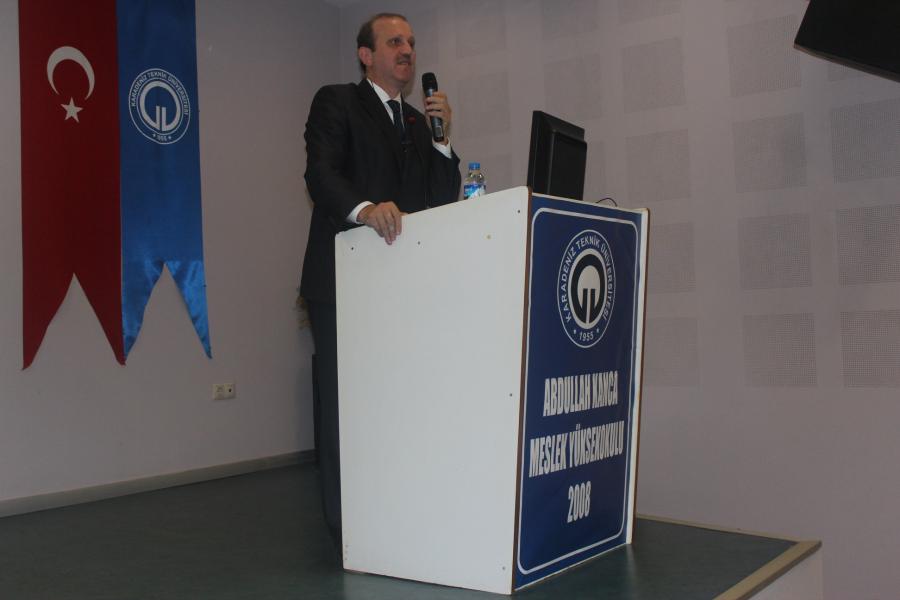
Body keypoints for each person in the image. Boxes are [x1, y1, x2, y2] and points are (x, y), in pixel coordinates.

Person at [299, 12, 461, 553]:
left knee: (396, 402)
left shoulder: (417, 123)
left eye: (411, 42)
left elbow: (440, 199)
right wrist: (365, 209)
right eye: (394, 42)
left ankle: (395, 511)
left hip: (399, 287)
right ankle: (346, 528)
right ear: (366, 55)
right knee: (344, 407)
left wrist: (442, 141)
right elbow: (320, 174)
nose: (407, 50)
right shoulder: (337, 102)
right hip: (342, 281)